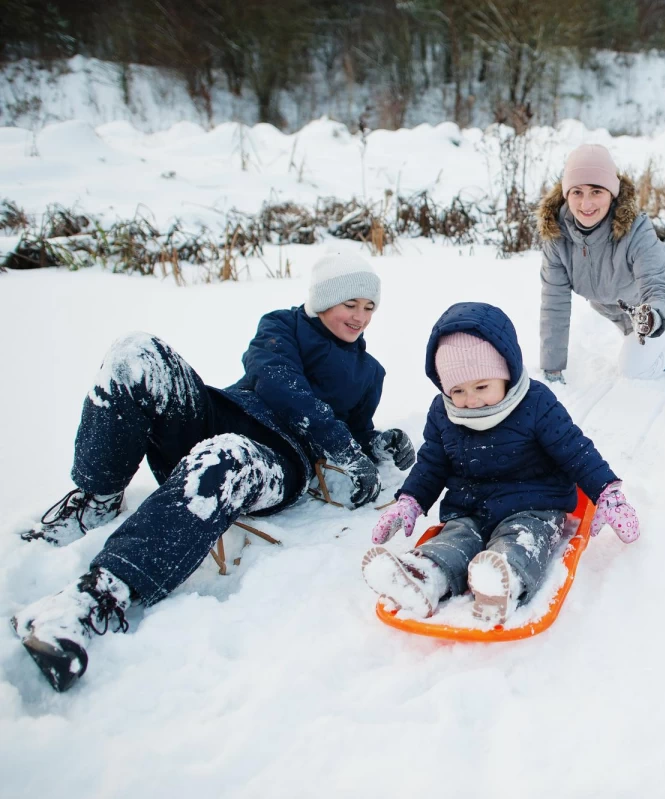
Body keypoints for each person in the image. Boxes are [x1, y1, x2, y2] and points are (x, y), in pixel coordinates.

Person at [12, 251, 414, 692]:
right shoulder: (283, 326)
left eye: (369, 307)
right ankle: (98, 497)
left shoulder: (367, 372)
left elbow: (355, 433)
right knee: (136, 351)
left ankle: (99, 597)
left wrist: (374, 445)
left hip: (277, 461)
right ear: (322, 300)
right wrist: (339, 441)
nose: (360, 317)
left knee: (226, 457)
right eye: (349, 304)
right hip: (219, 413)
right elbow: (276, 380)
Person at [363, 301, 639, 626]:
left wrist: (608, 493)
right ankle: (424, 576)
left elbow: (574, 450)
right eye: (458, 390)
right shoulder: (443, 413)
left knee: (524, 540)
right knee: (455, 539)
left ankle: (503, 581)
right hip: (469, 509)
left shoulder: (536, 403)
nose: (472, 400)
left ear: (506, 373)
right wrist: (409, 502)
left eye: (482, 386)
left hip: (534, 506)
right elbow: (431, 464)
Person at [538, 143, 665, 382]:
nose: (586, 204)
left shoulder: (635, 229)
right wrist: (552, 369)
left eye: (596, 191)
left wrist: (654, 317)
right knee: (636, 346)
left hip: (663, 297)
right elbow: (555, 303)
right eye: (577, 192)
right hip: (619, 306)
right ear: (566, 194)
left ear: (612, 193)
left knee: (636, 369)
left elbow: (657, 285)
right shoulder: (557, 236)